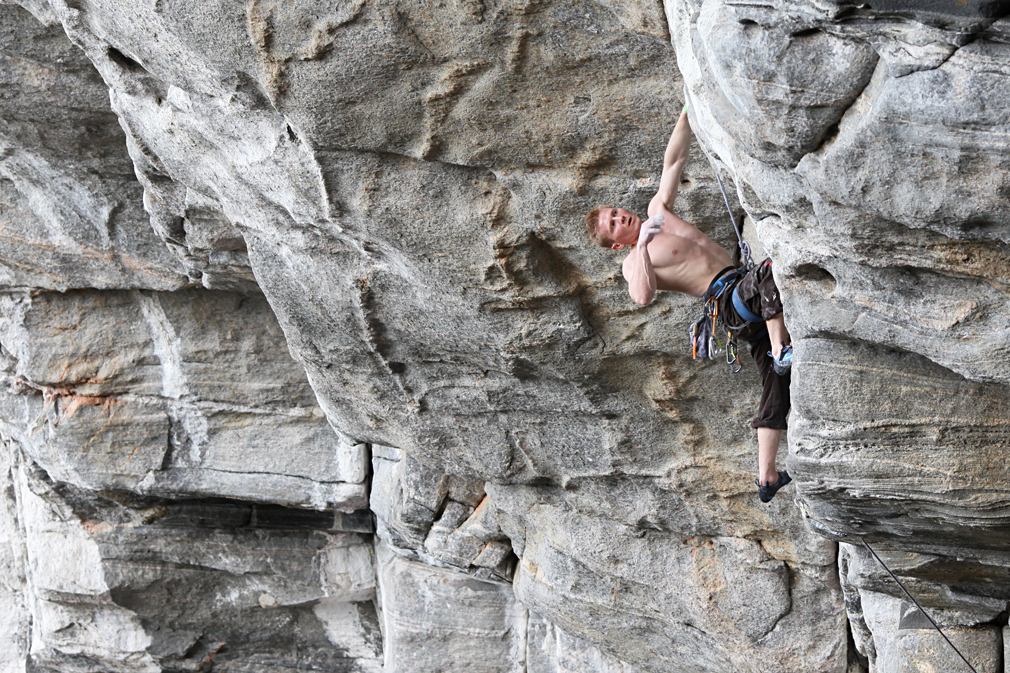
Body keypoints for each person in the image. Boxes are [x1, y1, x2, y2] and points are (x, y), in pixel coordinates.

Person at [585, 108, 793, 503]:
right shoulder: (633, 261)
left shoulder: (657, 211)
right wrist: (642, 243)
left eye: (616, 212)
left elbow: (674, 160)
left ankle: (766, 476)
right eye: (614, 224)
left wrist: (688, 109)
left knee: (774, 381)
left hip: (741, 290)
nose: (621, 217)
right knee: (770, 272)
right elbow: (643, 296)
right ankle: (782, 348)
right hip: (729, 300)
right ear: (616, 243)